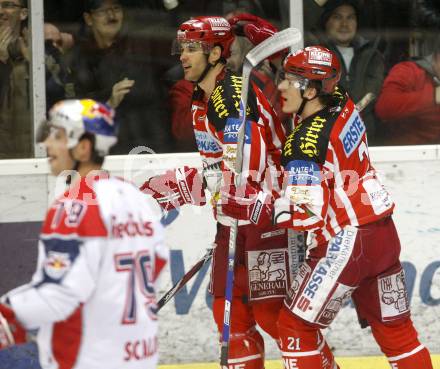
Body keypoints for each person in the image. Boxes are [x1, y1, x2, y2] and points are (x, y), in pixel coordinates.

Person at [221, 46, 433, 369]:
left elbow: (303, 216)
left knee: (294, 327)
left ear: (310, 90)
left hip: (347, 242)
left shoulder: (304, 142)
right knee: (397, 333)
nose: (279, 87)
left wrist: (250, 204)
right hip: (383, 236)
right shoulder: (343, 103)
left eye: (288, 81)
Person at [141, 16, 302, 368]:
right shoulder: (206, 96)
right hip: (234, 219)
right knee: (231, 315)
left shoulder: (229, 98)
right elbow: (223, 172)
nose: (183, 56)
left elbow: (251, 172)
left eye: (192, 49)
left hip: (265, 217)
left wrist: (181, 187)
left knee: (272, 316)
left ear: (216, 53)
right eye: (181, 48)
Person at [0, 99, 169, 369]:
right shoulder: (134, 198)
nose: (46, 144)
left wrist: (8, 313)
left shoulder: (75, 205)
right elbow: (159, 262)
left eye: (57, 135)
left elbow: (59, 293)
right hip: (139, 357)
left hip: (86, 359)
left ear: (83, 147)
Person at [67, 0, 171, 154]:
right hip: (109, 152)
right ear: (89, 19)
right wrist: (109, 103)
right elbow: (77, 112)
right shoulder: (80, 59)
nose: (111, 15)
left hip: (151, 142)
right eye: (102, 11)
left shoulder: (142, 47)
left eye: (116, 9)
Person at [313, 0, 385, 144]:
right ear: (326, 22)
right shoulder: (315, 55)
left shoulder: (372, 56)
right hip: (325, 138)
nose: (344, 24)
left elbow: (373, 95)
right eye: (337, 17)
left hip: (368, 139)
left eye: (350, 17)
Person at [375, 36, 440, 145]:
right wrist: (433, 96)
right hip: (405, 155)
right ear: (437, 56)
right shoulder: (408, 71)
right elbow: (384, 107)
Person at [0, 0, 31, 158]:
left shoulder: (38, 48)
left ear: (23, 14)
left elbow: (57, 93)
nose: (1, 11)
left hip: (33, 153)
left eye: (7, 5)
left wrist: (32, 62)